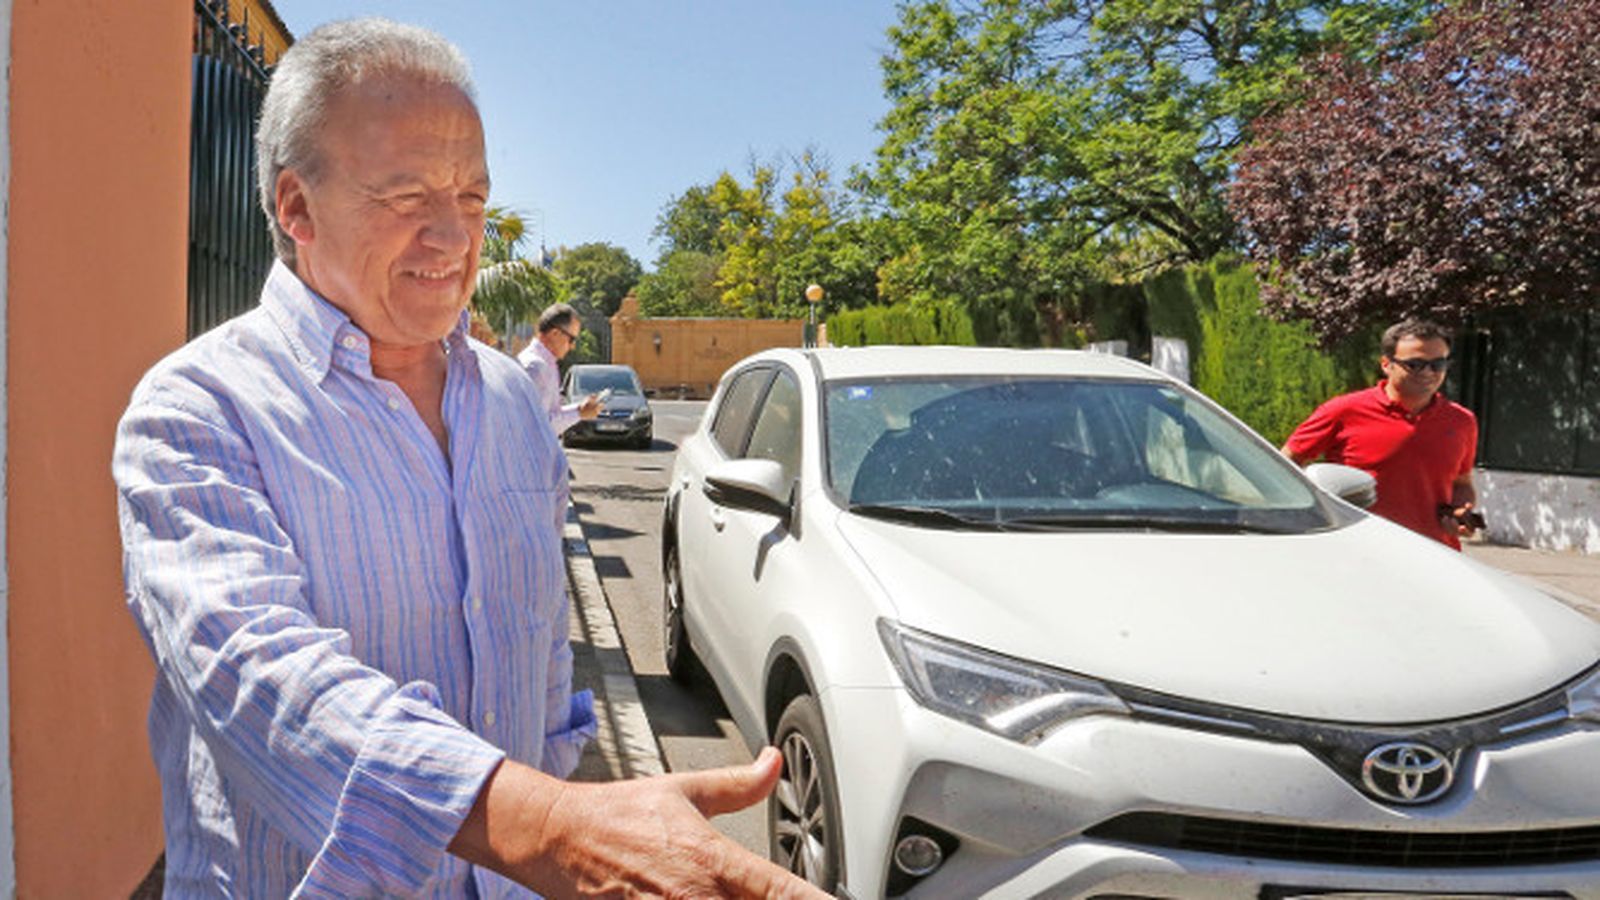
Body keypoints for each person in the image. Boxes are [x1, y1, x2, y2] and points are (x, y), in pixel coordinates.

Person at [112, 18, 821, 899]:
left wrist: (563, 785)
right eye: (407, 197)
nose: (454, 240)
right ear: (297, 207)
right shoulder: (197, 409)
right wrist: (558, 831)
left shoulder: (512, 401)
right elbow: (261, 681)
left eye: (473, 199)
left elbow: (540, 651)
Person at [1283, 318, 1481, 549]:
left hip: (1435, 555)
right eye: (1415, 364)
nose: (1428, 372)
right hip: (1358, 552)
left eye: (1437, 364)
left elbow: (1462, 483)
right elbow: (1287, 462)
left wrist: (1460, 513)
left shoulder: (1462, 421)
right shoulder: (1343, 411)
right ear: (1386, 364)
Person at [518, 303, 601, 434]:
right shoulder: (537, 368)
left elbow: (550, 413)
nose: (572, 346)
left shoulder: (542, 363)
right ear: (555, 333)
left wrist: (580, 409)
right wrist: (579, 413)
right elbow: (539, 426)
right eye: (571, 339)